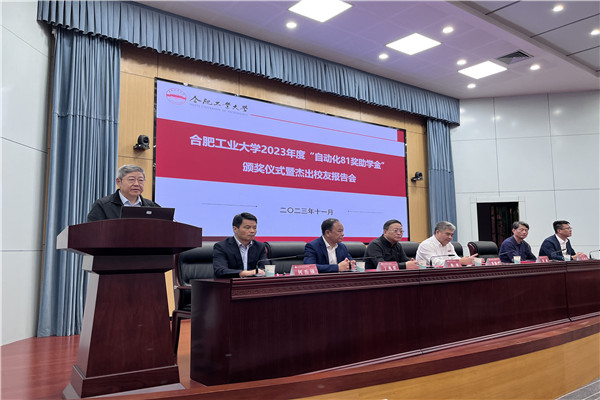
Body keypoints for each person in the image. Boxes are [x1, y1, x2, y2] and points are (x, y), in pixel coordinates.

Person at [87, 165, 159, 221]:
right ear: (118, 182)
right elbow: (93, 231)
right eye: (131, 179)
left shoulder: (152, 207)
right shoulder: (103, 205)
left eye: (140, 180)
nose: (136, 184)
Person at [213, 212, 267, 278]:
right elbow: (220, 271)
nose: (252, 231)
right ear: (235, 229)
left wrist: (259, 272)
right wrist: (245, 273)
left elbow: (265, 268)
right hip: (231, 283)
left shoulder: (260, 246)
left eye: (254, 228)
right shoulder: (222, 247)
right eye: (247, 228)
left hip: (254, 283)